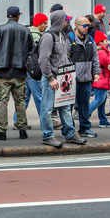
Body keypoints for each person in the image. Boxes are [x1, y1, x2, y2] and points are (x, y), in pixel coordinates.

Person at [38, 10, 88, 147]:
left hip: (62, 77)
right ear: (60, 21)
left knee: (65, 107)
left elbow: (62, 57)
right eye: (65, 20)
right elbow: (43, 59)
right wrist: (50, 78)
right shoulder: (49, 37)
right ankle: (48, 136)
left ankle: (69, 134)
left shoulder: (61, 35)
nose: (67, 22)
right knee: (47, 109)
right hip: (53, 78)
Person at [0, 6, 33, 140]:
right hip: (20, 71)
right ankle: (23, 130)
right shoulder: (25, 30)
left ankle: (2, 131)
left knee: (2, 102)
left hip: (3, 70)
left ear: (8, 16)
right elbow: (31, 50)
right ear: (18, 16)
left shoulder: (0, 29)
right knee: (20, 102)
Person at [69, 15, 101, 138]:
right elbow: (64, 57)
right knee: (69, 106)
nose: (87, 28)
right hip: (72, 79)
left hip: (86, 78)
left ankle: (85, 128)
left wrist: (96, 72)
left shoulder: (90, 40)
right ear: (76, 26)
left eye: (88, 25)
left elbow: (95, 58)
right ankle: (69, 129)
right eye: (84, 25)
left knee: (84, 104)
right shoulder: (70, 39)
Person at [25, 13, 48, 116]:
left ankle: (18, 121)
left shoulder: (28, 32)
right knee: (39, 97)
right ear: (39, 24)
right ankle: (45, 120)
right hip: (33, 70)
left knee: (24, 98)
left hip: (26, 69)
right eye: (45, 23)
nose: (47, 25)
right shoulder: (36, 36)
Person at [90, 31, 110, 128]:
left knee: (102, 101)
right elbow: (108, 63)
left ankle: (103, 120)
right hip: (102, 79)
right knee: (99, 99)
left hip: (102, 78)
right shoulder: (102, 52)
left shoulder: (101, 51)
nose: (107, 42)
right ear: (100, 42)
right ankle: (85, 114)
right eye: (105, 40)